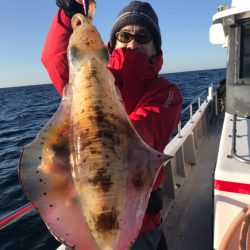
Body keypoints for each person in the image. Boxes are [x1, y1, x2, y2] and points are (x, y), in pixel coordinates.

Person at [41, 1, 182, 249]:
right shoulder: (86, 77)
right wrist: (68, 15)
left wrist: (100, 128)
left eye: (143, 36)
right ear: (113, 42)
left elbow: (147, 127)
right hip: (88, 206)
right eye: (124, 35)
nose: (132, 43)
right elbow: (56, 60)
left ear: (155, 46)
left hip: (141, 223)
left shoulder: (166, 93)